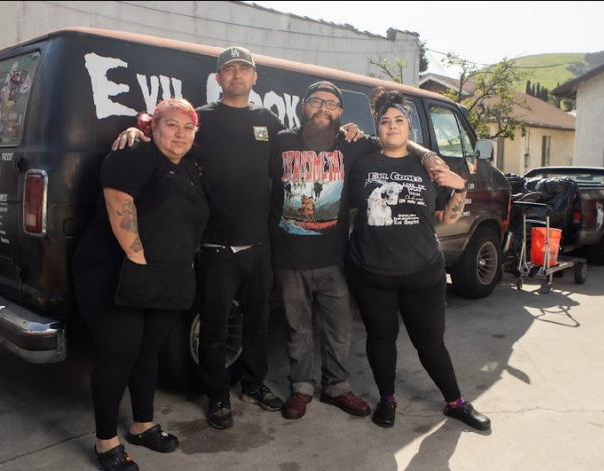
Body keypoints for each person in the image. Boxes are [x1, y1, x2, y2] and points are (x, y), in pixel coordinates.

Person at [113, 46, 286, 430]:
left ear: (255, 77)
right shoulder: (200, 119)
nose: (237, 75)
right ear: (218, 78)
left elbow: (297, 156)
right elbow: (164, 136)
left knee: (257, 323)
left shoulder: (268, 121)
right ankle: (217, 395)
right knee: (213, 327)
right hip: (215, 247)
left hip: (259, 245)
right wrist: (133, 130)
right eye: (229, 70)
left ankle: (254, 385)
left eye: (244, 69)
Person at [271, 81, 448, 420]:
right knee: (298, 330)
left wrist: (426, 155)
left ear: (340, 112)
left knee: (340, 330)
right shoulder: (281, 141)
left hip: (337, 258)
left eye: (332, 103)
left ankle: (336, 386)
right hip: (288, 257)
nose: (323, 108)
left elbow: (394, 138)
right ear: (302, 105)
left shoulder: (353, 143)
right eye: (316, 101)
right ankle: (301, 388)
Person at [344, 89, 491, 431]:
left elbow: (450, 218)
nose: (392, 127)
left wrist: (461, 188)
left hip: (423, 270)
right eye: (385, 121)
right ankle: (387, 399)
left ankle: (455, 402)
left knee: (430, 341)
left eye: (399, 121)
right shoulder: (361, 160)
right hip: (371, 270)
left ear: (409, 128)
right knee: (381, 338)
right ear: (376, 127)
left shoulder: (428, 166)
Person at [73, 98, 208, 471]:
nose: (179, 134)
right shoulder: (135, 153)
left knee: (149, 351)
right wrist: (139, 263)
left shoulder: (188, 168)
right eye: (171, 125)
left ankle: (143, 424)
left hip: (165, 276)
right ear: (154, 126)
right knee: (119, 354)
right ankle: (106, 443)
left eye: (188, 127)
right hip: (114, 270)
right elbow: (119, 203)